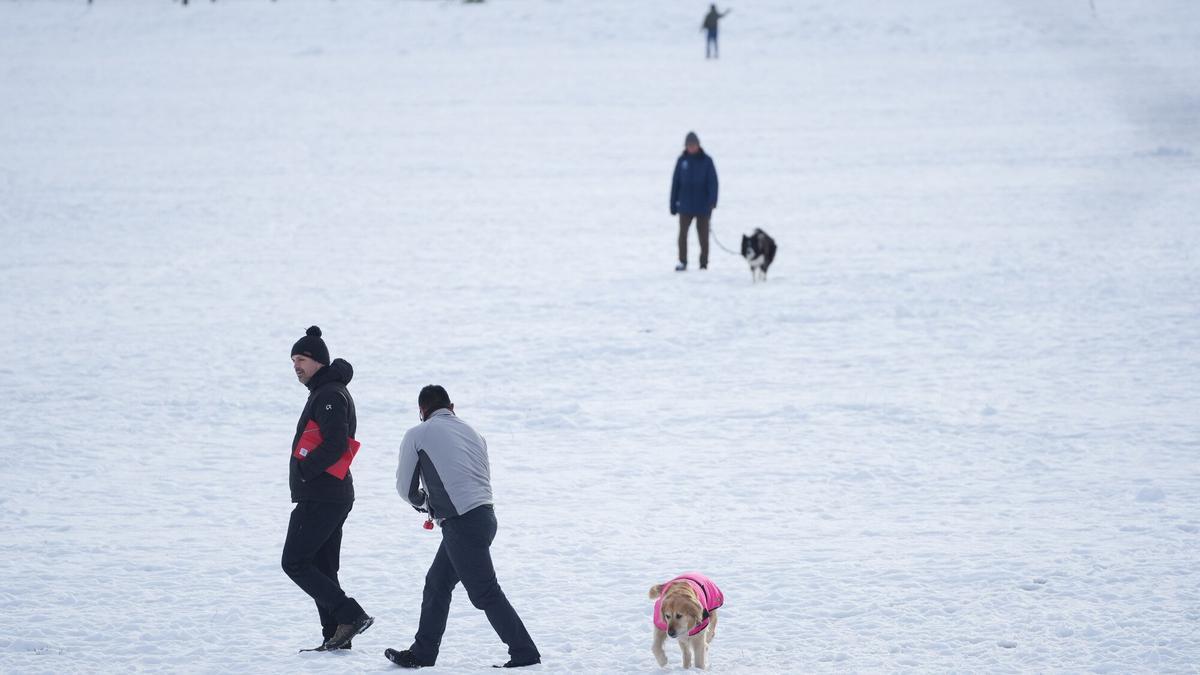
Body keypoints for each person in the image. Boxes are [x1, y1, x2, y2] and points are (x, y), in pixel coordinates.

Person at [385, 385, 541, 669]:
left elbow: (405, 489)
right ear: (451, 407)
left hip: (461, 524)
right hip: (485, 517)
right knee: (437, 583)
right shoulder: (473, 432)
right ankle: (422, 653)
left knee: (485, 592)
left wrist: (425, 505)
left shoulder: (417, 434)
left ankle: (525, 653)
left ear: (421, 410)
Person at [282, 326, 374, 651]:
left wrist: (305, 470)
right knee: (322, 567)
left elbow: (336, 443)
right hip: (330, 494)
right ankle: (336, 635)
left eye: (302, 359)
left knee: (294, 562)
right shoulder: (324, 393)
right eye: (293, 359)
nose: (296, 365)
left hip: (322, 495)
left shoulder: (330, 395)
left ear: (319, 361)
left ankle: (351, 615)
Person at [669, 131, 719, 271]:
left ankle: (703, 264)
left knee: (703, 237)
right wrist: (673, 204)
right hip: (685, 205)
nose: (691, 147)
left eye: (693, 145)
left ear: (698, 145)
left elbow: (713, 183)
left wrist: (712, 200)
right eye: (689, 145)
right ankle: (682, 261)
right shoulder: (681, 161)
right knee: (682, 235)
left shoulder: (707, 161)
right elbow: (675, 183)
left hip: (703, 206)